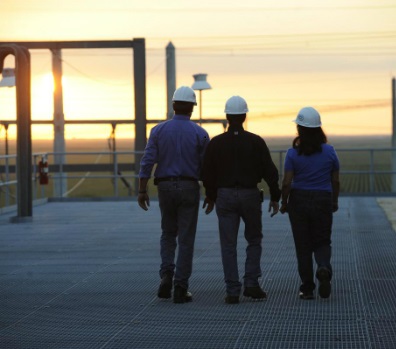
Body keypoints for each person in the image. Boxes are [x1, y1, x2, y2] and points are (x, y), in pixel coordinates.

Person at [202, 95, 281, 304]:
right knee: (253, 240)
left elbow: (207, 172)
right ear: (244, 116)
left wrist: (210, 196)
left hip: (225, 196)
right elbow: (270, 172)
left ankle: (232, 291)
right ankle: (252, 284)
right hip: (250, 195)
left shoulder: (216, 143)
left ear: (227, 117)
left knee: (228, 245)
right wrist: (276, 196)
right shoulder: (256, 141)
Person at [137, 86, 210, 304]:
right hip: (189, 187)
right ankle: (181, 286)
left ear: (173, 105)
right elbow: (207, 167)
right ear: (192, 108)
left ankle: (166, 274)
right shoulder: (200, 133)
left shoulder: (158, 131)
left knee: (168, 233)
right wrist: (211, 192)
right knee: (186, 239)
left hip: (165, 188)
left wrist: (142, 189)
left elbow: (147, 161)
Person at [280, 106, 340, 300]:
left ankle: (307, 287)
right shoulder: (330, 151)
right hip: (323, 199)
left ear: (299, 129)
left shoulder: (292, 154)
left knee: (303, 245)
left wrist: (284, 202)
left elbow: (287, 182)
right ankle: (323, 267)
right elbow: (335, 180)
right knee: (322, 240)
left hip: (299, 200)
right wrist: (334, 201)